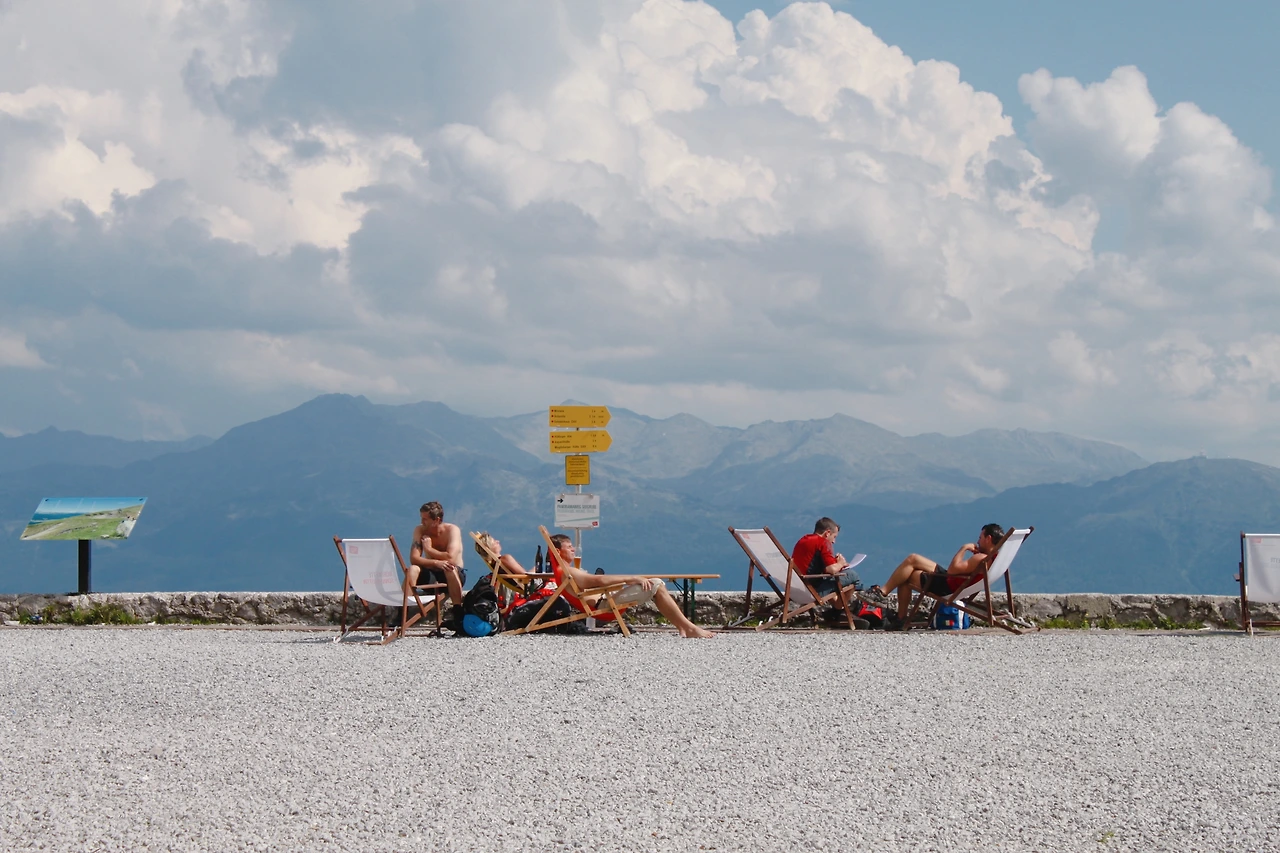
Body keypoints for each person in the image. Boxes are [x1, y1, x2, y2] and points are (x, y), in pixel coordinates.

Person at [546, 534, 715, 639]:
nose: (573, 549)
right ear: (558, 552)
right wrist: (632, 578)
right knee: (656, 584)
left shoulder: (564, 571)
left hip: (605, 599)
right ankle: (688, 628)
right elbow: (598, 581)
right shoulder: (568, 571)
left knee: (655, 584)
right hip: (605, 605)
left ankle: (684, 627)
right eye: (569, 547)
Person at [869, 523, 1006, 626]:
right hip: (955, 583)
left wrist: (963, 548)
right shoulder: (996, 558)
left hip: (948, 587)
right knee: (913, 559)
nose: (978, 541)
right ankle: (895, 610)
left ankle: (890, 603)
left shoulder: (980, 558)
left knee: (906, 577)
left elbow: (952, 570)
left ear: (988, 538)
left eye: (980, 537)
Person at [409, 501, 466, 607]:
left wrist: (429, 549)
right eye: (421, 518)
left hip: (453, 576)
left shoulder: (452, 530)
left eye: (425, 519)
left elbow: (451, 558)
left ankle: (457, 608)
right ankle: (403, 609)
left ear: (436, 520)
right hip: (433, 576)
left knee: (449, 568)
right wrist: (436, 563)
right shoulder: (420, 530)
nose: (422, 522)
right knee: (413, 569)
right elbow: (414, 558)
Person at [791, 517, 860, 596]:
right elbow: (831, 569)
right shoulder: (823, 542)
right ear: (827, 533)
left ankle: (838, 603)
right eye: (834, 537)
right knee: (852, 575)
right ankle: (843, 604)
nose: (834, 541)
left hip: (795, 587)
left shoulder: (802, 540)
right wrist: (841, 563)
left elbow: (813, 564)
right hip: (812, 590)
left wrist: (836, 563)